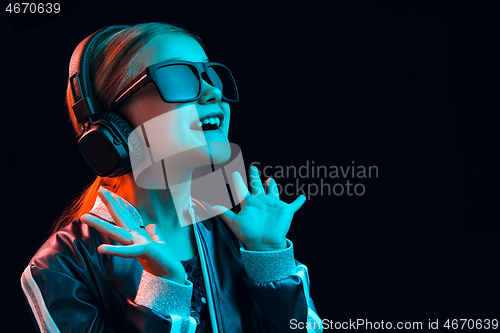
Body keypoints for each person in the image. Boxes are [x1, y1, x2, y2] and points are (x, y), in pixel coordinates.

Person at [21, 22, 322, 333]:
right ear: (113, 127)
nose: (212, 92)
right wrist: (163, 291)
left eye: (209, 75)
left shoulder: (235, 224)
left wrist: (268, 258)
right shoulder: (62, 265)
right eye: (177, 77)